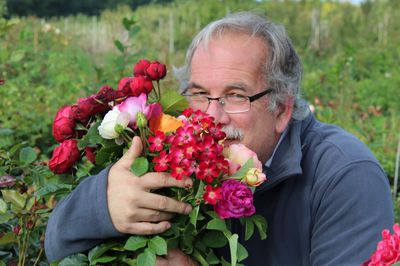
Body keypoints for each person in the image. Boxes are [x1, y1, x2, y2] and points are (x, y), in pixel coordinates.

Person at [45, 11, 394, 265]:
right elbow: (54, 247)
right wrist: (102, 206)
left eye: (237, 95)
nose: (212, 117)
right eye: (198, 94)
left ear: (283, 109)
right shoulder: (169, 153)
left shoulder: (345, 175)